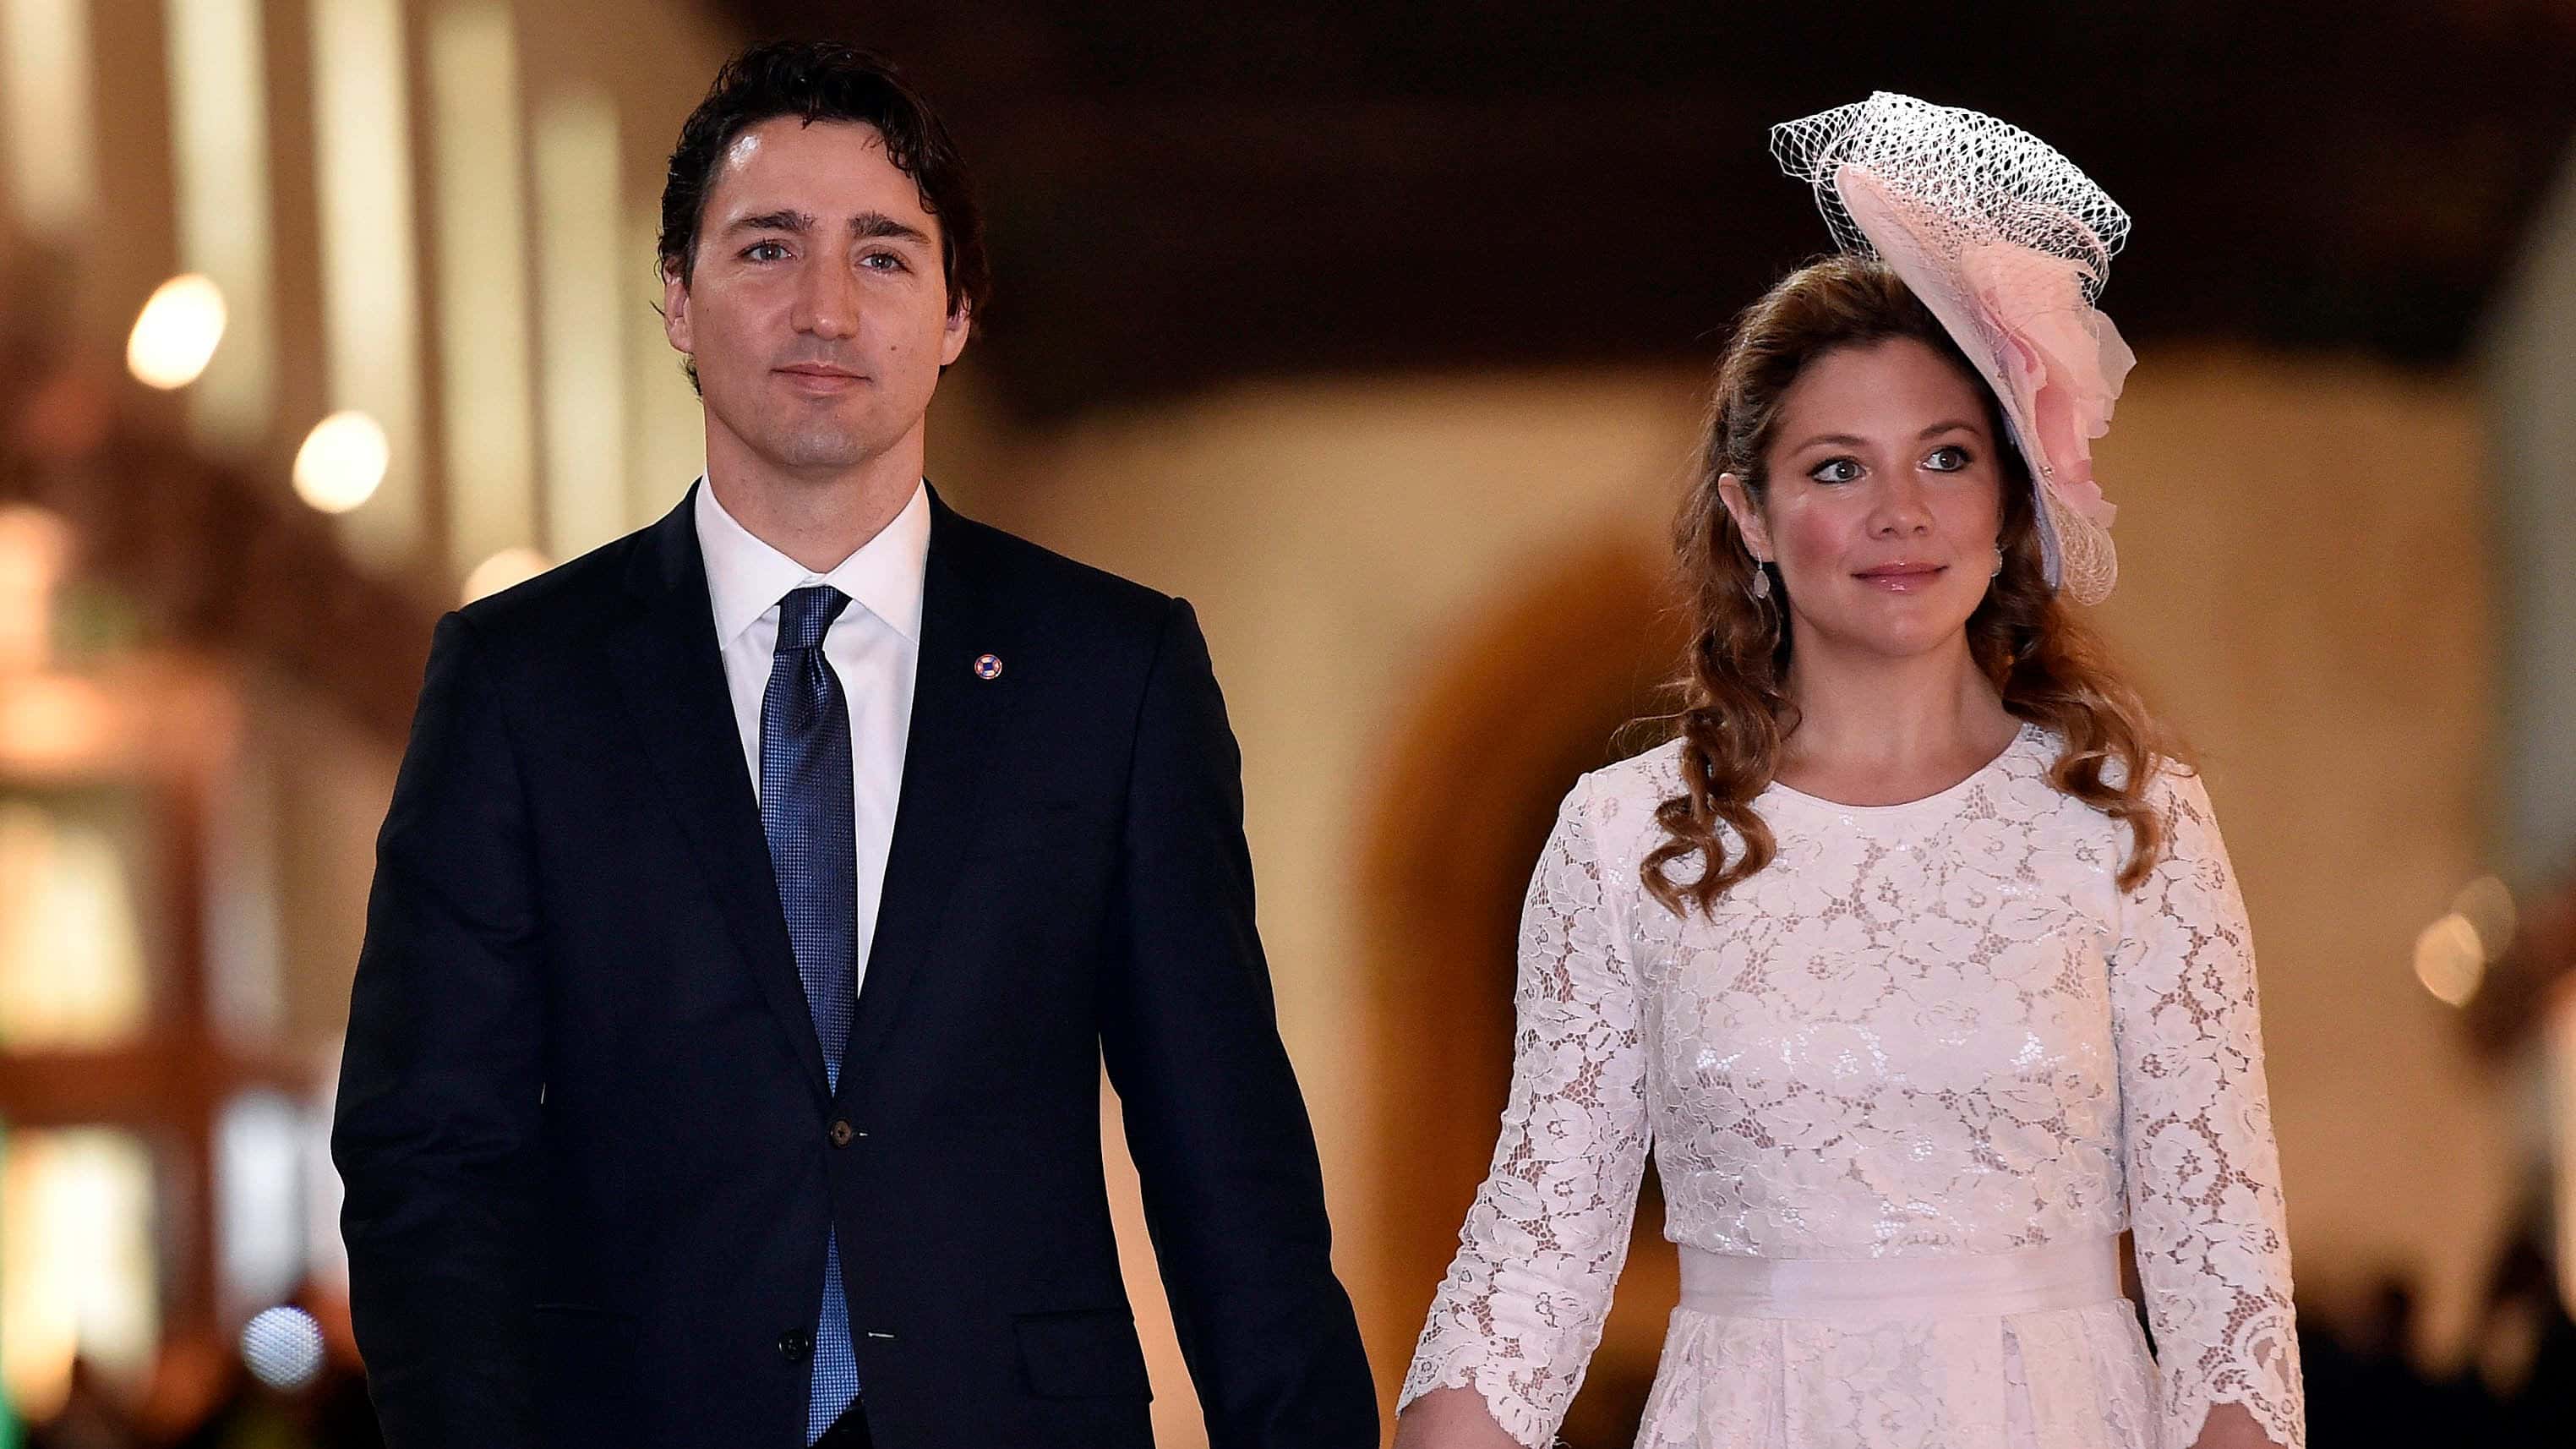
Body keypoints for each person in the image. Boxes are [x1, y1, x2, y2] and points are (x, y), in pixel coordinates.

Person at [330, 41, 1374, 1449]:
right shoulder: (523, 682)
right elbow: (426, 1154)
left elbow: (1223, 1144)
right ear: (678, 302)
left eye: (884, 256)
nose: (825, 306)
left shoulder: (1110, 673)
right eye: (768, 248)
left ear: (955, 314)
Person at [1395, 95, 2305, 1449]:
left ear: (2010, 501)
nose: (1902, 512)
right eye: (1838, 467)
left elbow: (2228, 1284)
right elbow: (1532, 1260)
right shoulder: (1620, 839)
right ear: (1751, 515)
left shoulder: (2137, 827)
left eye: (1947, 456)